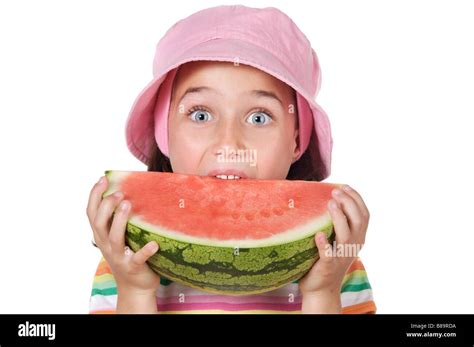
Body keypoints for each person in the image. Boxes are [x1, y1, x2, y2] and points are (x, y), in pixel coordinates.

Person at [87, 5, 376, 314]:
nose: (228, 143)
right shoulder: (126, 260)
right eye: (200, 114)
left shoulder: (334, 262)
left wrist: (322, 293)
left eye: (259, 117)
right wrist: (135, 291)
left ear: (296, 140)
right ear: (163, 134)